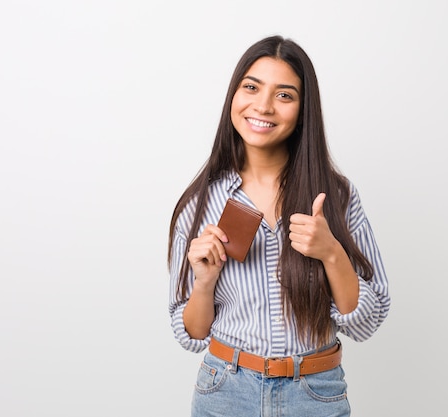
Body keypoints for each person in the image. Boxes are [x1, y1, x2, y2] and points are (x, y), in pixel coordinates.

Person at [167, 35, 391, 417]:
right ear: (233, 96)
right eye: (251, 87)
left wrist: (331, 252)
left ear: (303, 110)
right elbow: (191, 333)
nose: (263, 106)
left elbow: (367, 322)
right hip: (225, 391)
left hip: (316, 393)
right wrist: (204, 282)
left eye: (284, 95)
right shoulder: (200, 203)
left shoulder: (336, 196)